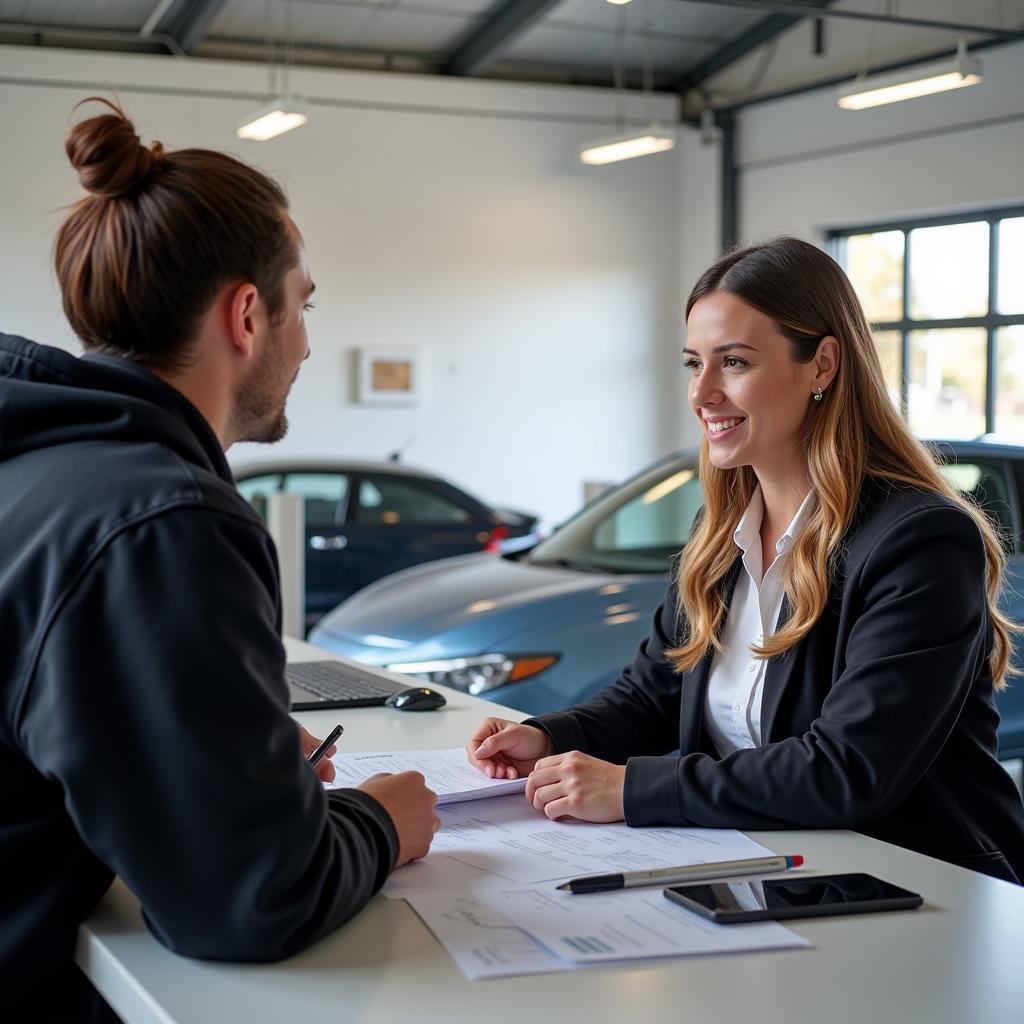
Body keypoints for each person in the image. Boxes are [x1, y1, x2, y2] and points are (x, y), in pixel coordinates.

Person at [0, 98, 440, 1021]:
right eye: (302, 304)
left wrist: (228, 757)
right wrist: (381, 823)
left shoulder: (42, 470)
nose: (308, 338)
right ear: (248, 314)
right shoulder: (160, 523)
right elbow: (249, 899)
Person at [467, 236, 1024, 885]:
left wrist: (631, 790)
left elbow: (846, 771)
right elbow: (651, 697)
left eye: (732, 362)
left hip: (916, 888)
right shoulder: (721, 532)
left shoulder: (918, 542)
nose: (702, 393)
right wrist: (546, 736)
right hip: (767, 873)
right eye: (692, 363)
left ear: (821, 365)